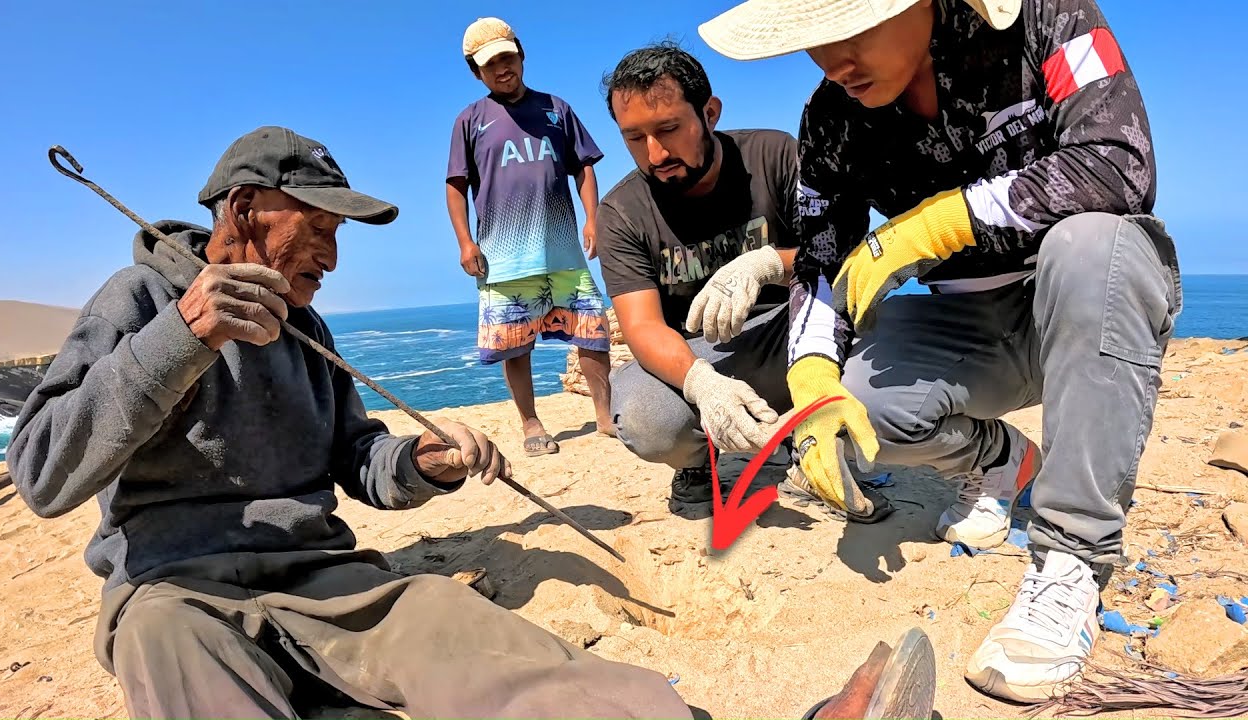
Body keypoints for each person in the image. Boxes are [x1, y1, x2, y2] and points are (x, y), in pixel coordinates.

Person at [6, 126, 693, 719]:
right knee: (167, 647)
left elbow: (355, 456)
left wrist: (422, 462)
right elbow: (40, 474)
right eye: (319, 229)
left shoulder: (307, 327)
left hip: (322, 579)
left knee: (444, 617)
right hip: (175, 592)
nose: (332, 258)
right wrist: (181, 338)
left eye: (337, 235)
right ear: (245, 209)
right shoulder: (140, 299)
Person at [699, 0, 1180, 703]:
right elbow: (820, 262)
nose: (834, 62)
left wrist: (948, 217)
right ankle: (1002, 461)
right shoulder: (832, 114)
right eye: (812, 42)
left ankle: (1070, 560)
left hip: (1086, 304)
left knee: (1090, 245)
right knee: (857, 403)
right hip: (971, 328)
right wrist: (810, 378)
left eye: (850, 30)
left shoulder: (1050, 18)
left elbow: (1118, 164)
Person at [595, 42, 803, 518]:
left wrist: (767, 263)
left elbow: (839, 258)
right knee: (647, 420)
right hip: (699, 352)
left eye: (668, 128)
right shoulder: (621, 212)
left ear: (709, 113)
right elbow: (643, 327)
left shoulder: (773, 155)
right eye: (634, 138)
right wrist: (701, 384)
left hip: (788, 330)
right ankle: (697, 462)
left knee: (868, 312)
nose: (654, 153)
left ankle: (811, 434)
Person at [446, 16, 614, 457]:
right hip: (504, 257)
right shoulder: (470, 120)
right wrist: (466, 242)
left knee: (592, 332)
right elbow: (455, 185)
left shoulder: (556, 108)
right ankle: (531, 423)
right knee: (516, 345)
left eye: (507, 57)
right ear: (476, 72)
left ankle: (604, 414)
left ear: (520, 54)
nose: (502, 69)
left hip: (563, 252)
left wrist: (591, 219)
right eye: (490, 64)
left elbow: (584, 167)